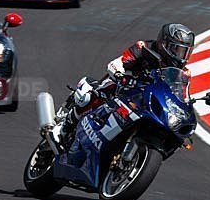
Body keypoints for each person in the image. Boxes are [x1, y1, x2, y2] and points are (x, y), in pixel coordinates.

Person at [55, 23, 195, 143]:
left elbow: (182, 95)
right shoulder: (144, 48)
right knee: (90, 97)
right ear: (164, 44)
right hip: (121, 86)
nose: (181, 57)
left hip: (144, 100)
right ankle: (65, 127)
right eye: (177, 50)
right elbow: (117, 63)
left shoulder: (184, 73)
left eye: (185, 52)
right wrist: (120, 75)